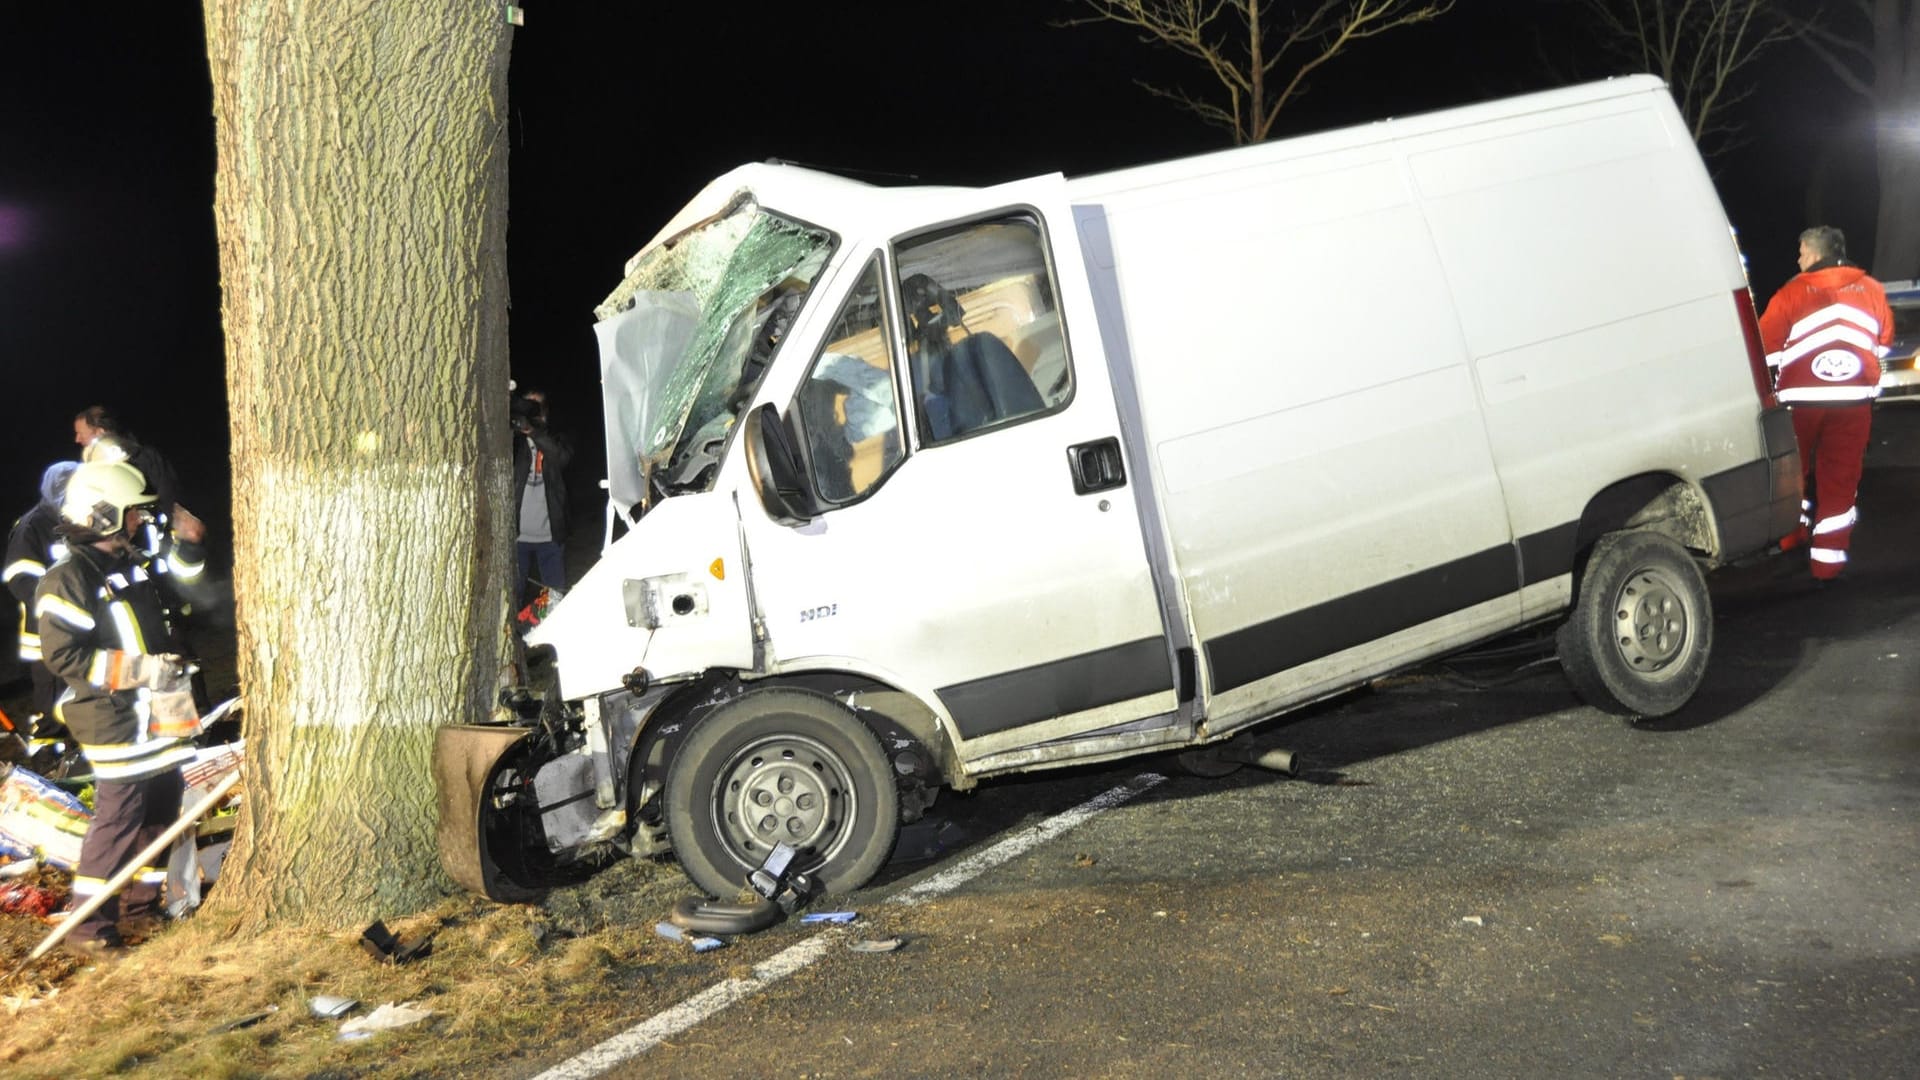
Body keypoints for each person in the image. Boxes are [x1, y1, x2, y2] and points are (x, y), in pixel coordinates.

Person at [34, 460, 196, 954]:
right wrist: (141, 671)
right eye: (131, 514)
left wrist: (188, 544)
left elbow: (183, 587)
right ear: (102, 513)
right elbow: (64, 655)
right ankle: (87, 927)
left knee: (162, 806)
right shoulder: (69, 578)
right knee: (119, 817)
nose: (139, 522)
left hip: (160, 709)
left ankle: (139, 908)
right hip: (114, 717)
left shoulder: (126, 564)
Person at [1757, 226, 1892, 582]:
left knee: (1791, 473)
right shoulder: (1872, 289)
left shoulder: (1792, 292)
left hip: (1800, 403)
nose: (1798, 259)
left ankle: (1790, 538)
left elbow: (1765, 348)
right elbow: (1885, 341)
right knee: (1841, 477)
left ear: (1815, 255)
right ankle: (1828, 563)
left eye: (1801, 252)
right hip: (1853, 402)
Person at [4, 462, 79, 739]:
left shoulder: (75, 518)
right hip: (44, 635)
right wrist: (58, 604)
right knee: (52, 704)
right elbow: (19, 578)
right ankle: (49, 758)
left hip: (79, 629)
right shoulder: (32, 525)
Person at [73, 405, 206, 545]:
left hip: (146, 543)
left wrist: (183, 527)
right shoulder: (86, 470)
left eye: (81, 433)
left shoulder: (144, 459)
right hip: (109, 548)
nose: (77, 439)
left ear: (100, 432)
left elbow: (170, 498)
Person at [512, 389, 573, 611]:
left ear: (545, 412)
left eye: (535, 407)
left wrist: (534, 432)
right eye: (526, 406)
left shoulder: (556, 435)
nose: (529, 412)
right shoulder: (513, 440)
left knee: (554, 597)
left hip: (550, 535)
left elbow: (561, 458)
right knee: (513, 594)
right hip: (517, 537)